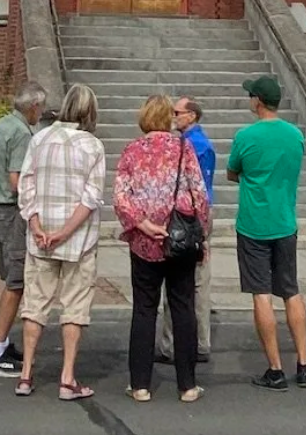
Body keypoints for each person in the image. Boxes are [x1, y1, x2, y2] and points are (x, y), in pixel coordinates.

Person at [115, 93, 211, 403]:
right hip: (179, 239)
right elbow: (200, 196)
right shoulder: (183, 147)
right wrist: (202, 235)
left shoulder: (131, 151)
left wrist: (142, 223)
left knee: (144, 309)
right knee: (183, 307)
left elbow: (121, 197)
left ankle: (140, 385)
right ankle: (187, 385)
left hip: (145, 242)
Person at [16, 81, 105, 401]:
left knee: (35, 304)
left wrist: (36, 224)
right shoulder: (92, 146)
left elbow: (26, 186)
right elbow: (91, 196)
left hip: (40, 236)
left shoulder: (40, 139)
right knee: (74, 308)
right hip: (78, 240)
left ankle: (26, 374)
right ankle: (67, 378)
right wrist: (66, 231)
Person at [227, 74, 306, 388]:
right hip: (285, 221)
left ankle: (275, 368)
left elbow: (233, 172)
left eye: (251, 96)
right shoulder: (295, 135)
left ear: (258, 101)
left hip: (254, 224)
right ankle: (304, 364)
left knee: (261, 293)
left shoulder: (246, 136)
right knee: (291, 290)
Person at [0, 80, 47, 378]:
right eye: (40, 108)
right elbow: (16, 180)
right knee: (16, 281)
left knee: (12, 276)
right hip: (11, 210)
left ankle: (3, 343)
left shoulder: (2, 125)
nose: (40, 114)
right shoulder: (21, 133)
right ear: (34, 107)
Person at [158, 96, 215, 364]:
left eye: (177, 112)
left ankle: (173, 344)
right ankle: (199, 341)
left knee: (182, 279)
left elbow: (198, 188)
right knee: (198, 281)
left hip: (187, 215)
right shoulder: (199, 143)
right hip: (197, 212)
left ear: (192, 115)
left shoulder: (193, 145)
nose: (173, 116)